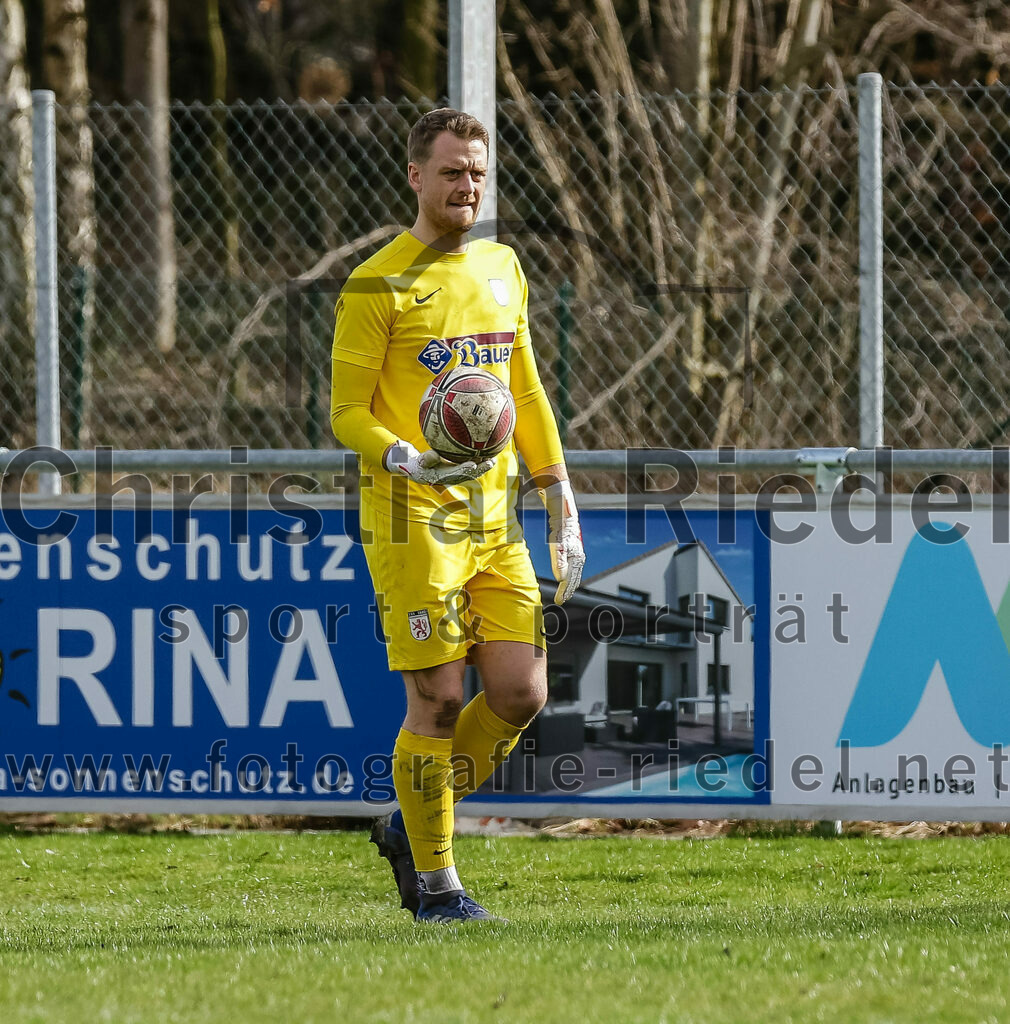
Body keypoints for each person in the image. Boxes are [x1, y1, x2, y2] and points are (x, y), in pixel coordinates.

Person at [330, 108, 584, 923]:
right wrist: (405, 453)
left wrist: (558, 494)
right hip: (411, 519)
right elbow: (344, 413)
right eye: (451, 171)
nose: (466, 185)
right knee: (436, 699)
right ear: (416, 177)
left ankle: (410, 822)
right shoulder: (378, 283)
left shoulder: (503, 267)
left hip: (494, 519)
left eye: (476, 172)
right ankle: (439, 885)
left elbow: (528, 389)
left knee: (519, 693)